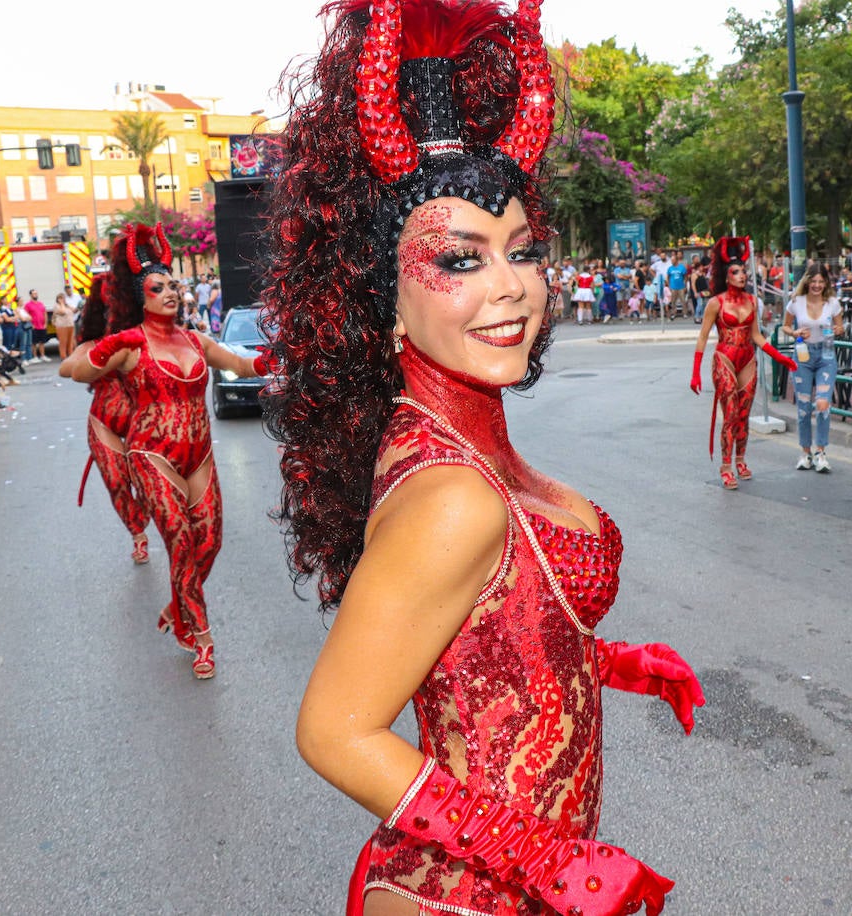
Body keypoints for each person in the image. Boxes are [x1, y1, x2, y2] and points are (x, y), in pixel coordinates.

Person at [270, 2, 700, 912]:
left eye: (522, 250)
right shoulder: (453, 493)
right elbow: (335, 731)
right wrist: (548, 863)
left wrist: (608, 660)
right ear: (381, 297)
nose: (511, 287)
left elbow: (486, 639)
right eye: (459, 261)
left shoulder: (459, 440)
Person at [71, 223, 269, 678]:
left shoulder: (195, 341)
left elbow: (240, 364)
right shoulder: (130, 344)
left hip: (198, 454)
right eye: (158, 288)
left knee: (210, 542)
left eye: (173, 285)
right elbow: (80, 373)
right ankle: (200, 637)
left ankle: (176, 608)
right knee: (180, 543)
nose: (170, 293)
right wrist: (107, 347)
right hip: (150, 454)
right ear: (141, 297)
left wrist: (274, 358)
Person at [691, 236, 798, 488]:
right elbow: (703, 336)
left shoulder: (752, 302)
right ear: (727, 276)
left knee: (743, 415)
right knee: (729, 414)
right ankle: (726, 465)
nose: (742, 276)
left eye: (743, 272)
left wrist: (783, 358)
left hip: (748, 359)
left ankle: (741, 459)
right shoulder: (715, 303)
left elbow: (757, 337)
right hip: (725, 359)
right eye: (736, 272)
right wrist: (695, 372)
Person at [60, 276, 149, 564]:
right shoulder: (94, 344)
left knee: (149, 481)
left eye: (118, 307)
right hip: (103, 422)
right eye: (107, 308)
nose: (114, 313)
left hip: (145, 422)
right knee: (116, 481)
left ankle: (143, 519)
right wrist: (93, 359)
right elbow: (66, 368)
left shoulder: (146, 338)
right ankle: (138, 536)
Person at [783, 266, 843, 472]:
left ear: (826, 283)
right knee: (804, 406)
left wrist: (837, 329)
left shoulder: (833, 303)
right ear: (807, 282)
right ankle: (805, 453)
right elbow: (785, 326)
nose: (817, 285)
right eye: (814, 281)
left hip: (826, 355)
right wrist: (795, 332)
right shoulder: (796, 302)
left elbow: (841, 327)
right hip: (803, 356)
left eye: (821, 281)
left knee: (823, 403)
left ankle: (821, 453)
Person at [23, 290, 49, 362]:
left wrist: (45, 323)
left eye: (36, 293)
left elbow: (45, 313)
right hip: (34, 327)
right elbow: (26, 315)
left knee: (42, 342)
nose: (35, 295)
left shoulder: (41, 303)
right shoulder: (28, 305)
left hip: (42, 326)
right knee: (34, 343)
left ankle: (43, 356)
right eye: (34, 294)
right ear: (30, 295)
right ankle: (35, 357)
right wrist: (31, 324)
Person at [53, 292, 77, 359]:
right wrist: (61, 303)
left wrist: (77, 306)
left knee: (71, 342)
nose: (63, 299)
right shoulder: (57, 306)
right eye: (61, 298)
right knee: (63, 342)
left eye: (64, 298)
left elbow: (74, 310)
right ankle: (63, 356)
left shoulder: (67, 305)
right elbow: (62, 312)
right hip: (62, 326)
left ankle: (71, 355)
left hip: (70, 325)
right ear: (58, 299)